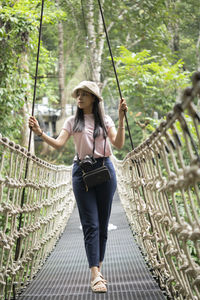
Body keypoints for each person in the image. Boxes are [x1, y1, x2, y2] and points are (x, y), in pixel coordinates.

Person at [29, 81, 128, 293]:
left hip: (105, 172)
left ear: (94, 98)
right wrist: (39, 132)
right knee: (90, 224)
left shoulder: (106, 120)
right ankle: (94, 275)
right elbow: (58, 144)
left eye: (84, 94)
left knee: (102, 225)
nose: (80, 98)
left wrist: (120, 119)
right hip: (82, 174)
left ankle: (98, 271)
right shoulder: (73, 121)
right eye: (78, 95)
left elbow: (118, 144)